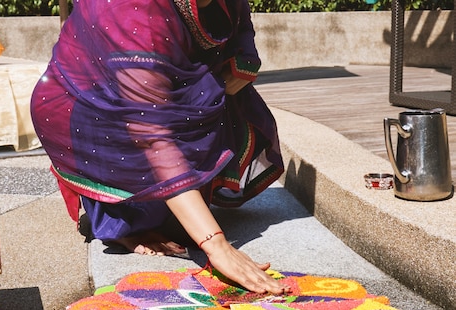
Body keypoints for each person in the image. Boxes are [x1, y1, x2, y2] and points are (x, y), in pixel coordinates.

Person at [31, 0, 289, 294]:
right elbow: (150, 133)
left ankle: (163, 207)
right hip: (89, 105)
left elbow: (240, 26)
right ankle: (121, 224)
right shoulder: (130, 10)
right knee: (147, 202)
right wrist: (215, 244)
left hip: (164, 89)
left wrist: (242, 65)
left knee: (207, 103)